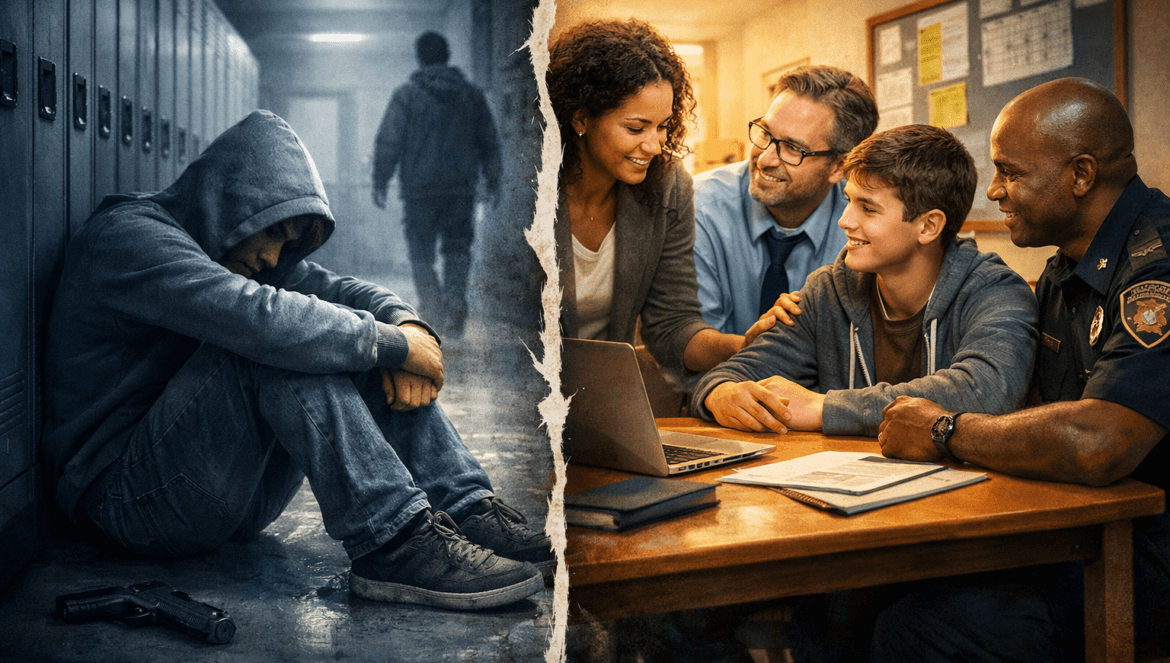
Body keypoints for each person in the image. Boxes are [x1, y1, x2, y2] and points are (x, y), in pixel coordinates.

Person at [43, 110, 552, 612]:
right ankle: (395, 542)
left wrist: (406, 327)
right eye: (270, 233)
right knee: (282, 338)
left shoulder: (232, 252)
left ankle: (464, 508)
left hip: (226, 494)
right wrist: (391, 345)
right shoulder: (127, 238)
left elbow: (344, 291)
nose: (271, 257)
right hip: (131, 502)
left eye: (284, 244)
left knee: (332, 329)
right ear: (228, 199)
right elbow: (258, 319)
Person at [872, 78, 1170, 661]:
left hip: (1147, 549)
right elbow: (1036, 411)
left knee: (922, 626)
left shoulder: (1156, 269)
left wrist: (944, 430)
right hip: (1091, 529)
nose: (995, 191)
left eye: (1010, 173)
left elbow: (1099, 442)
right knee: (873, 589)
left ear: (1080, 175)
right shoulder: (1066, 270)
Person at [693, 123, 1038, 439]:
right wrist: (719, 393)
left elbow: (987, 391)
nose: (845, 221)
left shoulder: (996, 292)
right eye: (848, 201)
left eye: (868, 208)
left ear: (928, 226)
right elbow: (733, 374)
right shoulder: (826, 291)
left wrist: (823, 408)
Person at [548, 19, 770, 379]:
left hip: (601, 391)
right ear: (580, 118)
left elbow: (672, 325)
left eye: (663, 126)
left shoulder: (667, 184)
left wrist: (743, 347)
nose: (654, 146)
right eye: (636, 128)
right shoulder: (517, 189)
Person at [694, 65, 878, 337]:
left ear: (839, 167)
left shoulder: (866, 226)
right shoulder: (701, 205)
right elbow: (688, 339)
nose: (764, 159)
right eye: (765, 133)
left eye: (793, 148)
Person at [371, 31, 500, 338]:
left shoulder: (406, 96)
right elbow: (489, 141)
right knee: (457, 249)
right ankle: (455, 306)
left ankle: (432, 312)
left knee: (421, 254)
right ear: (447, 56)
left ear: (419, 58)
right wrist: (494, 180)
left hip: (419, 191)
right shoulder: (471, 95)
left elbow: (389, 140)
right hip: (460, 190)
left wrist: (380, 181)